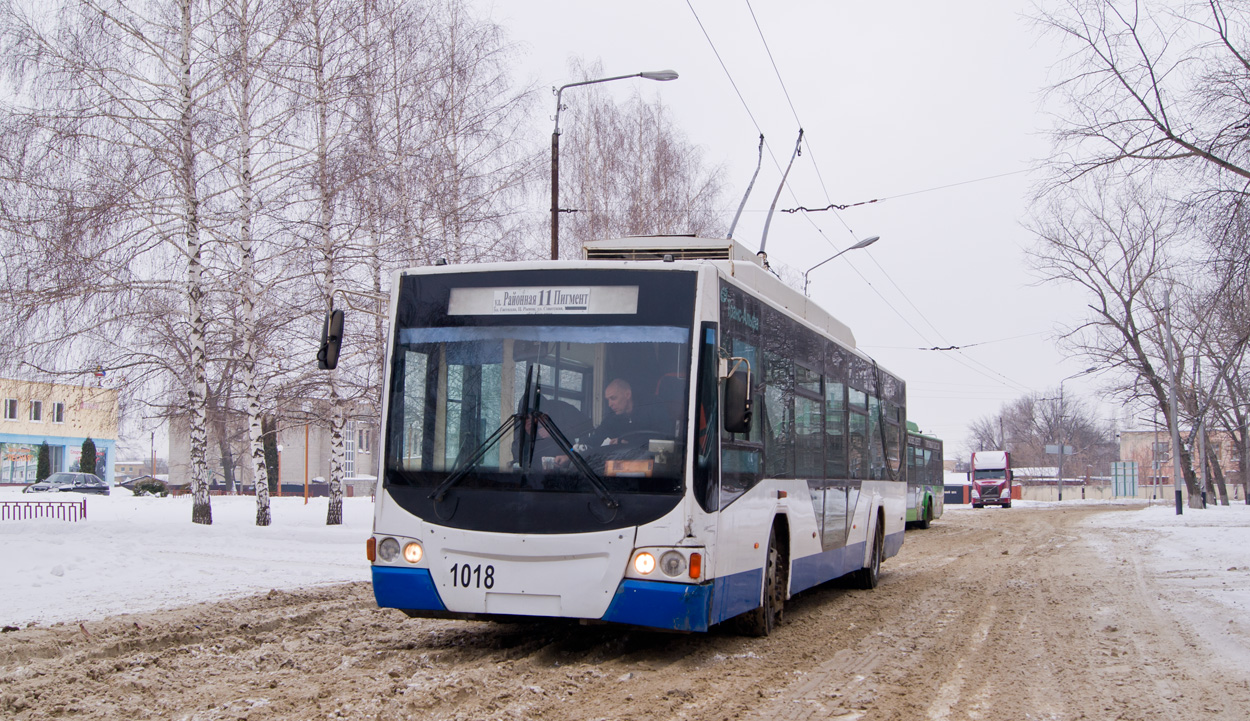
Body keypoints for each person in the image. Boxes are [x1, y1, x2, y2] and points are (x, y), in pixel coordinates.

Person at [591, 378, 666, 446]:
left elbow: (664, 437)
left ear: (627, 394)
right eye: (608, 400)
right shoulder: (612, 417)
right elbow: (597, 437)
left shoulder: (652, 407)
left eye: (613, 398)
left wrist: (626, 441)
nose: (610, 404)